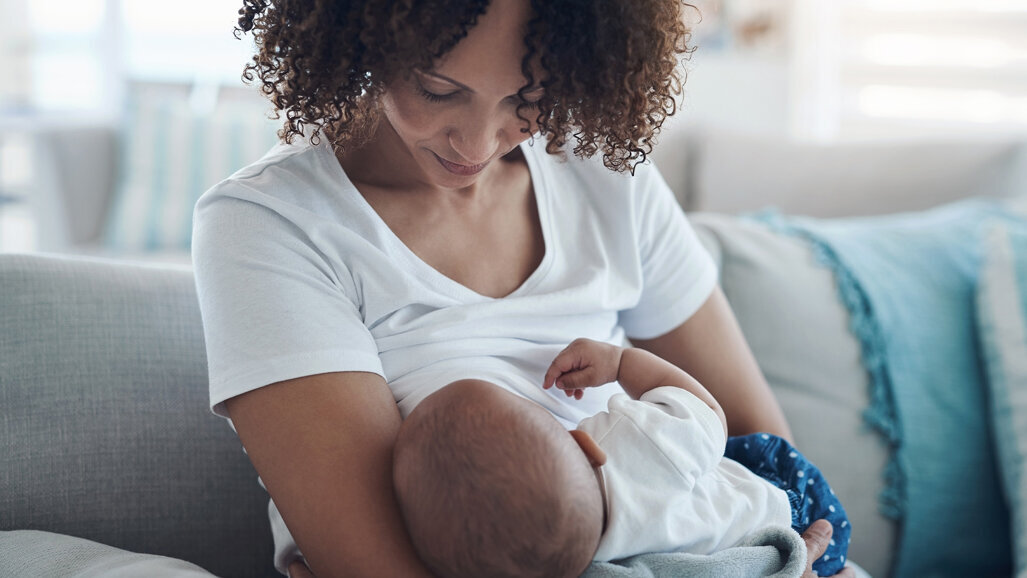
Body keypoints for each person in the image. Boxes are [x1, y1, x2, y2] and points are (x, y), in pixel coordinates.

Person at [191, 0, 855, 576]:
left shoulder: (604, 177)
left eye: (527, 99)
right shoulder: (270, 224)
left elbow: (768, 462)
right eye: (436, 87)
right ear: (361, 33)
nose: (477, 141)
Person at [392, 338, 850, 578]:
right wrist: (621, 363)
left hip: (764, 557)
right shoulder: (628, 441)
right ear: (587, 446)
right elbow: (709, 414)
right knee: (739, 453)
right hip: (792, 508)